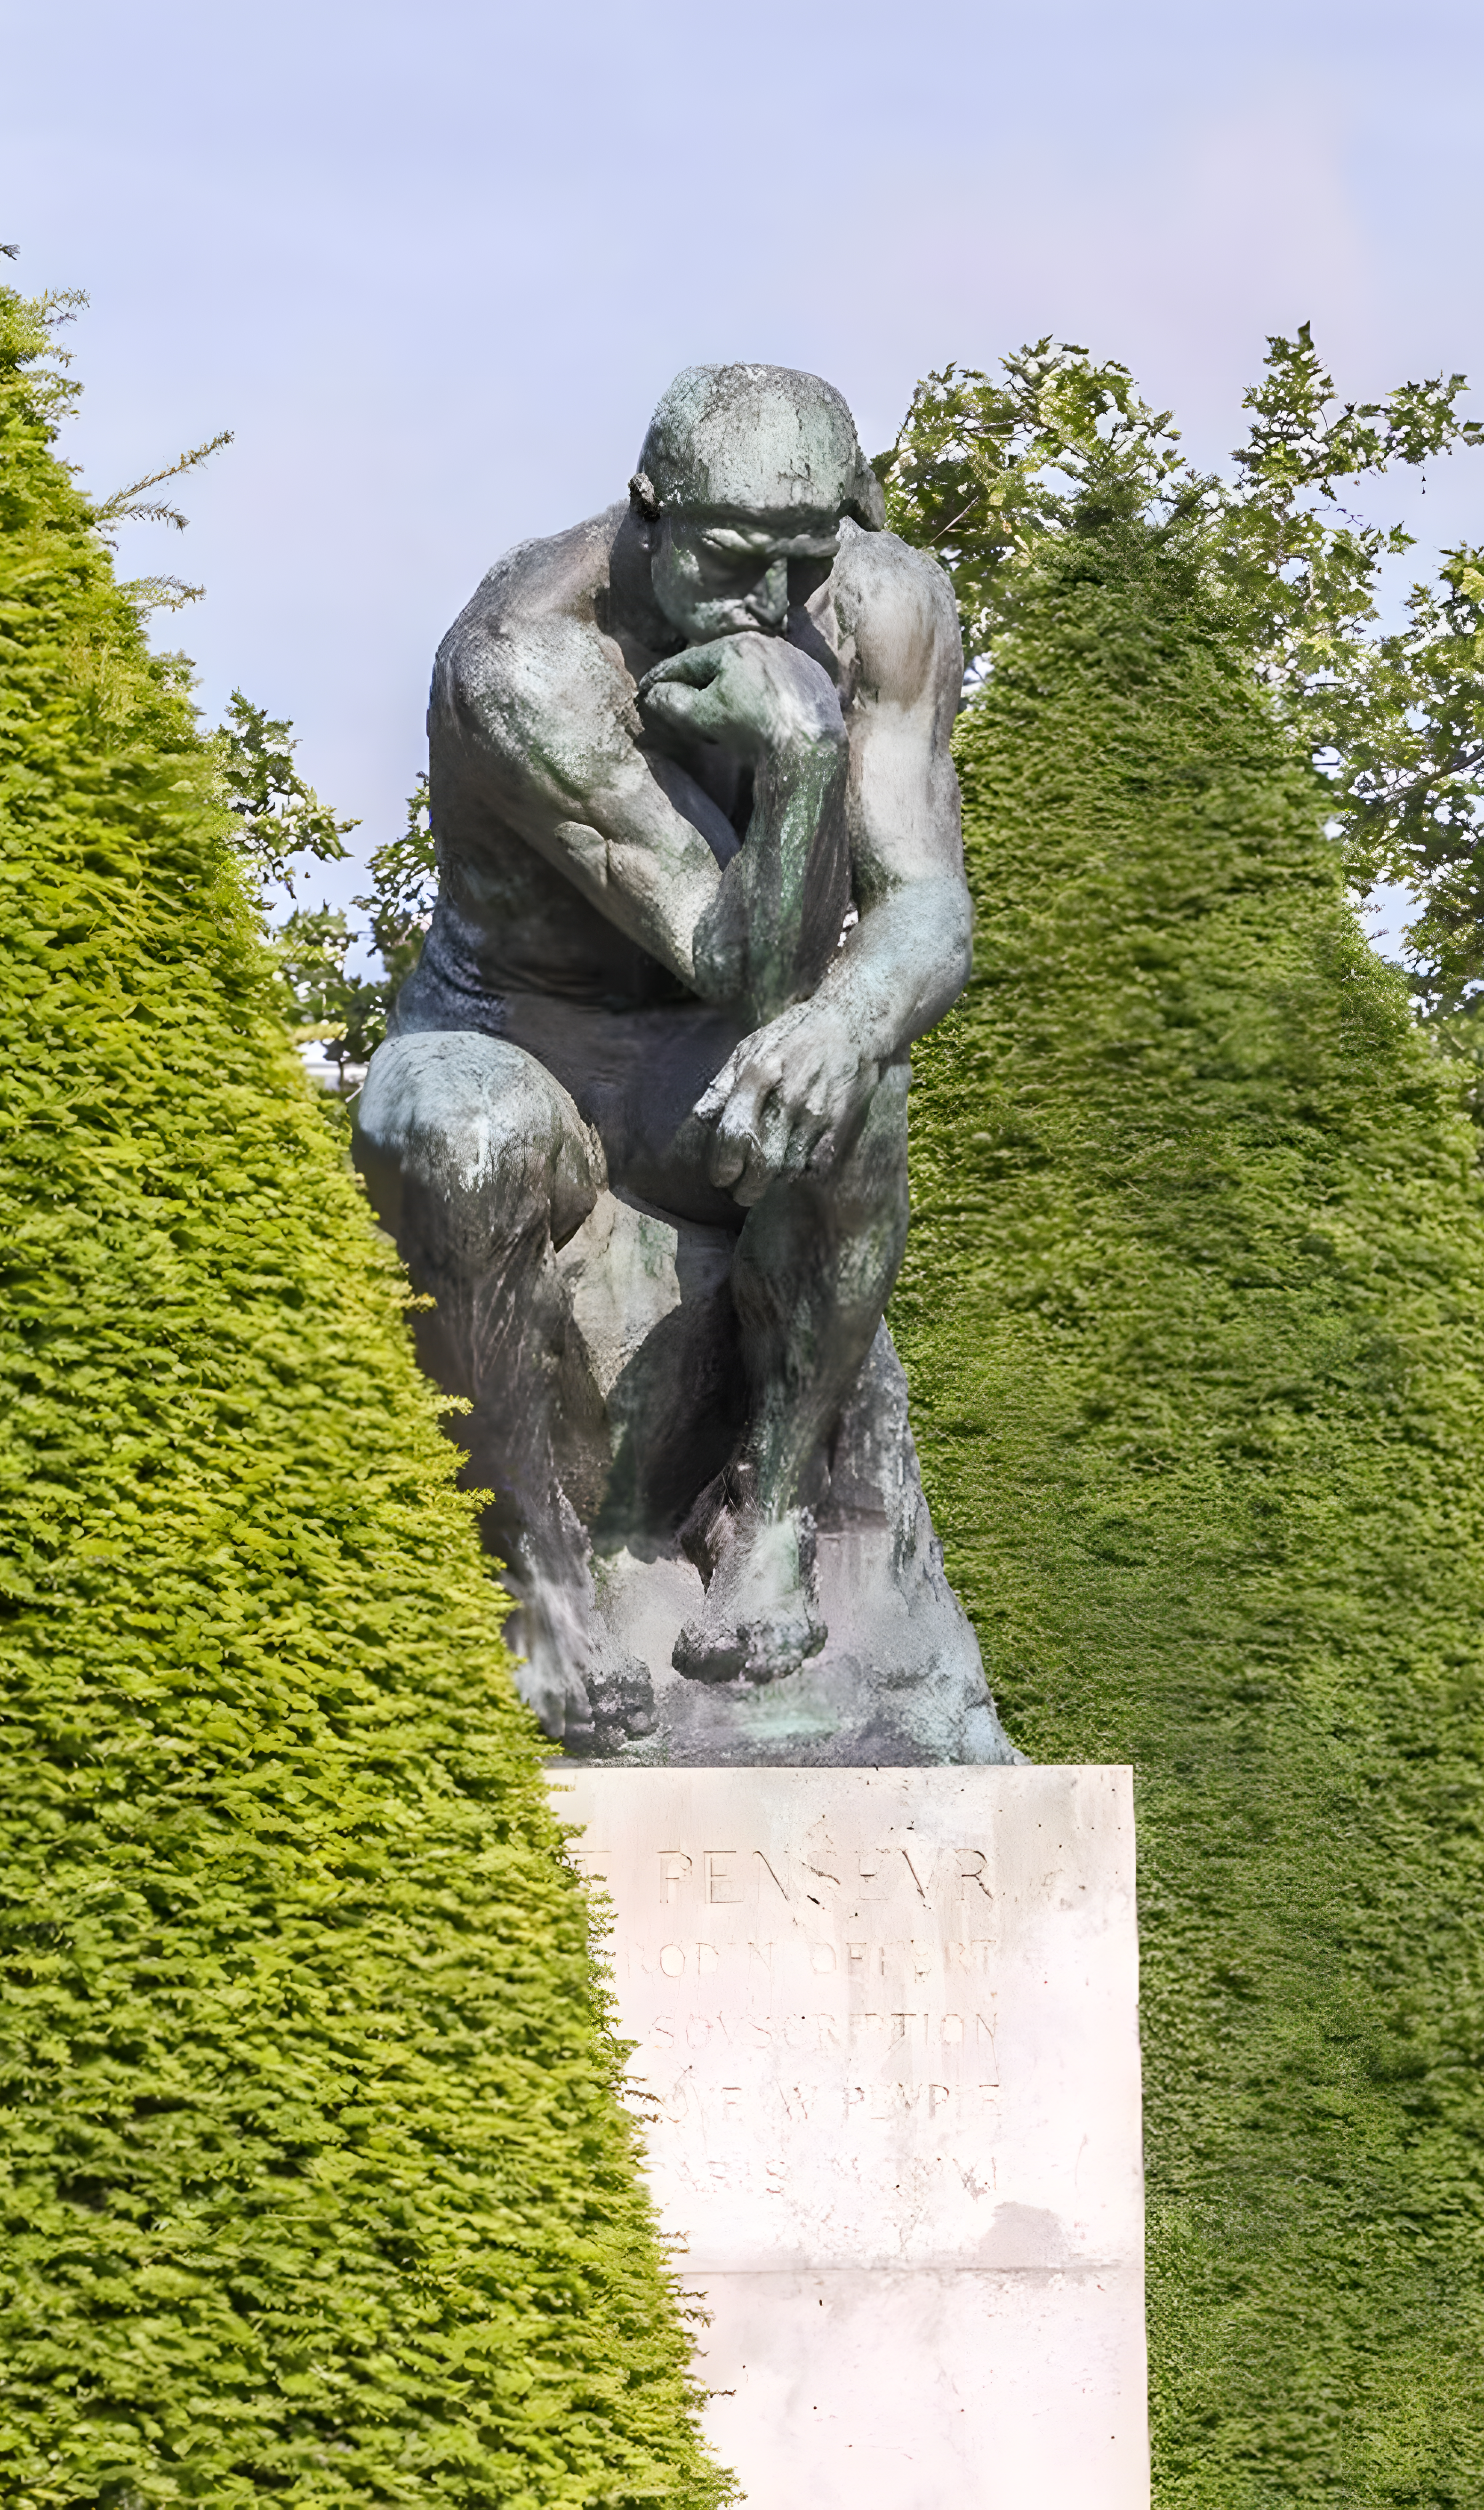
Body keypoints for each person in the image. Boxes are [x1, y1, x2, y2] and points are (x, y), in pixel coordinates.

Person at [354, 363, 971, 1741]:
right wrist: (803, 760)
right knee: (455, 1133)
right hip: (521, 1042)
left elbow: (928, 903)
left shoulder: (880, 603)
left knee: (857, 1094)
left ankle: (776, 1516)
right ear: (649, 513)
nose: (771, 597)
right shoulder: (525, 658)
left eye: (804, 557)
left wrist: (848, 1020)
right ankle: (539, 1578)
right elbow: (728, 951)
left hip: (704, 1064)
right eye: (734, 558)